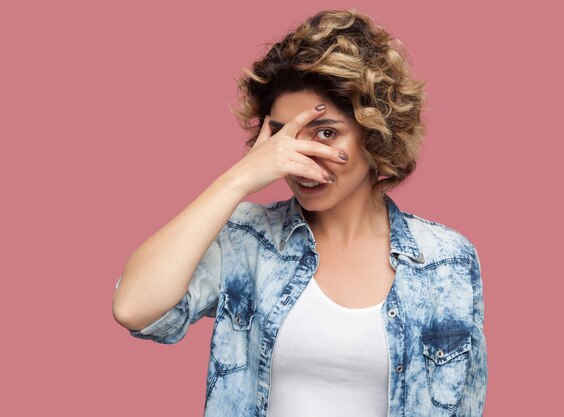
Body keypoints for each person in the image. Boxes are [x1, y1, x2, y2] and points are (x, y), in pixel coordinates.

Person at [112, 8, 487, 417]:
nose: (300, 157)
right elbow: (135, 308)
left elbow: (466, 403)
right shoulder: (247, 239)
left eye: (326, 133)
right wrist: (238, 179)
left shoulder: (447, 258)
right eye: (282, 135)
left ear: (376, 135)